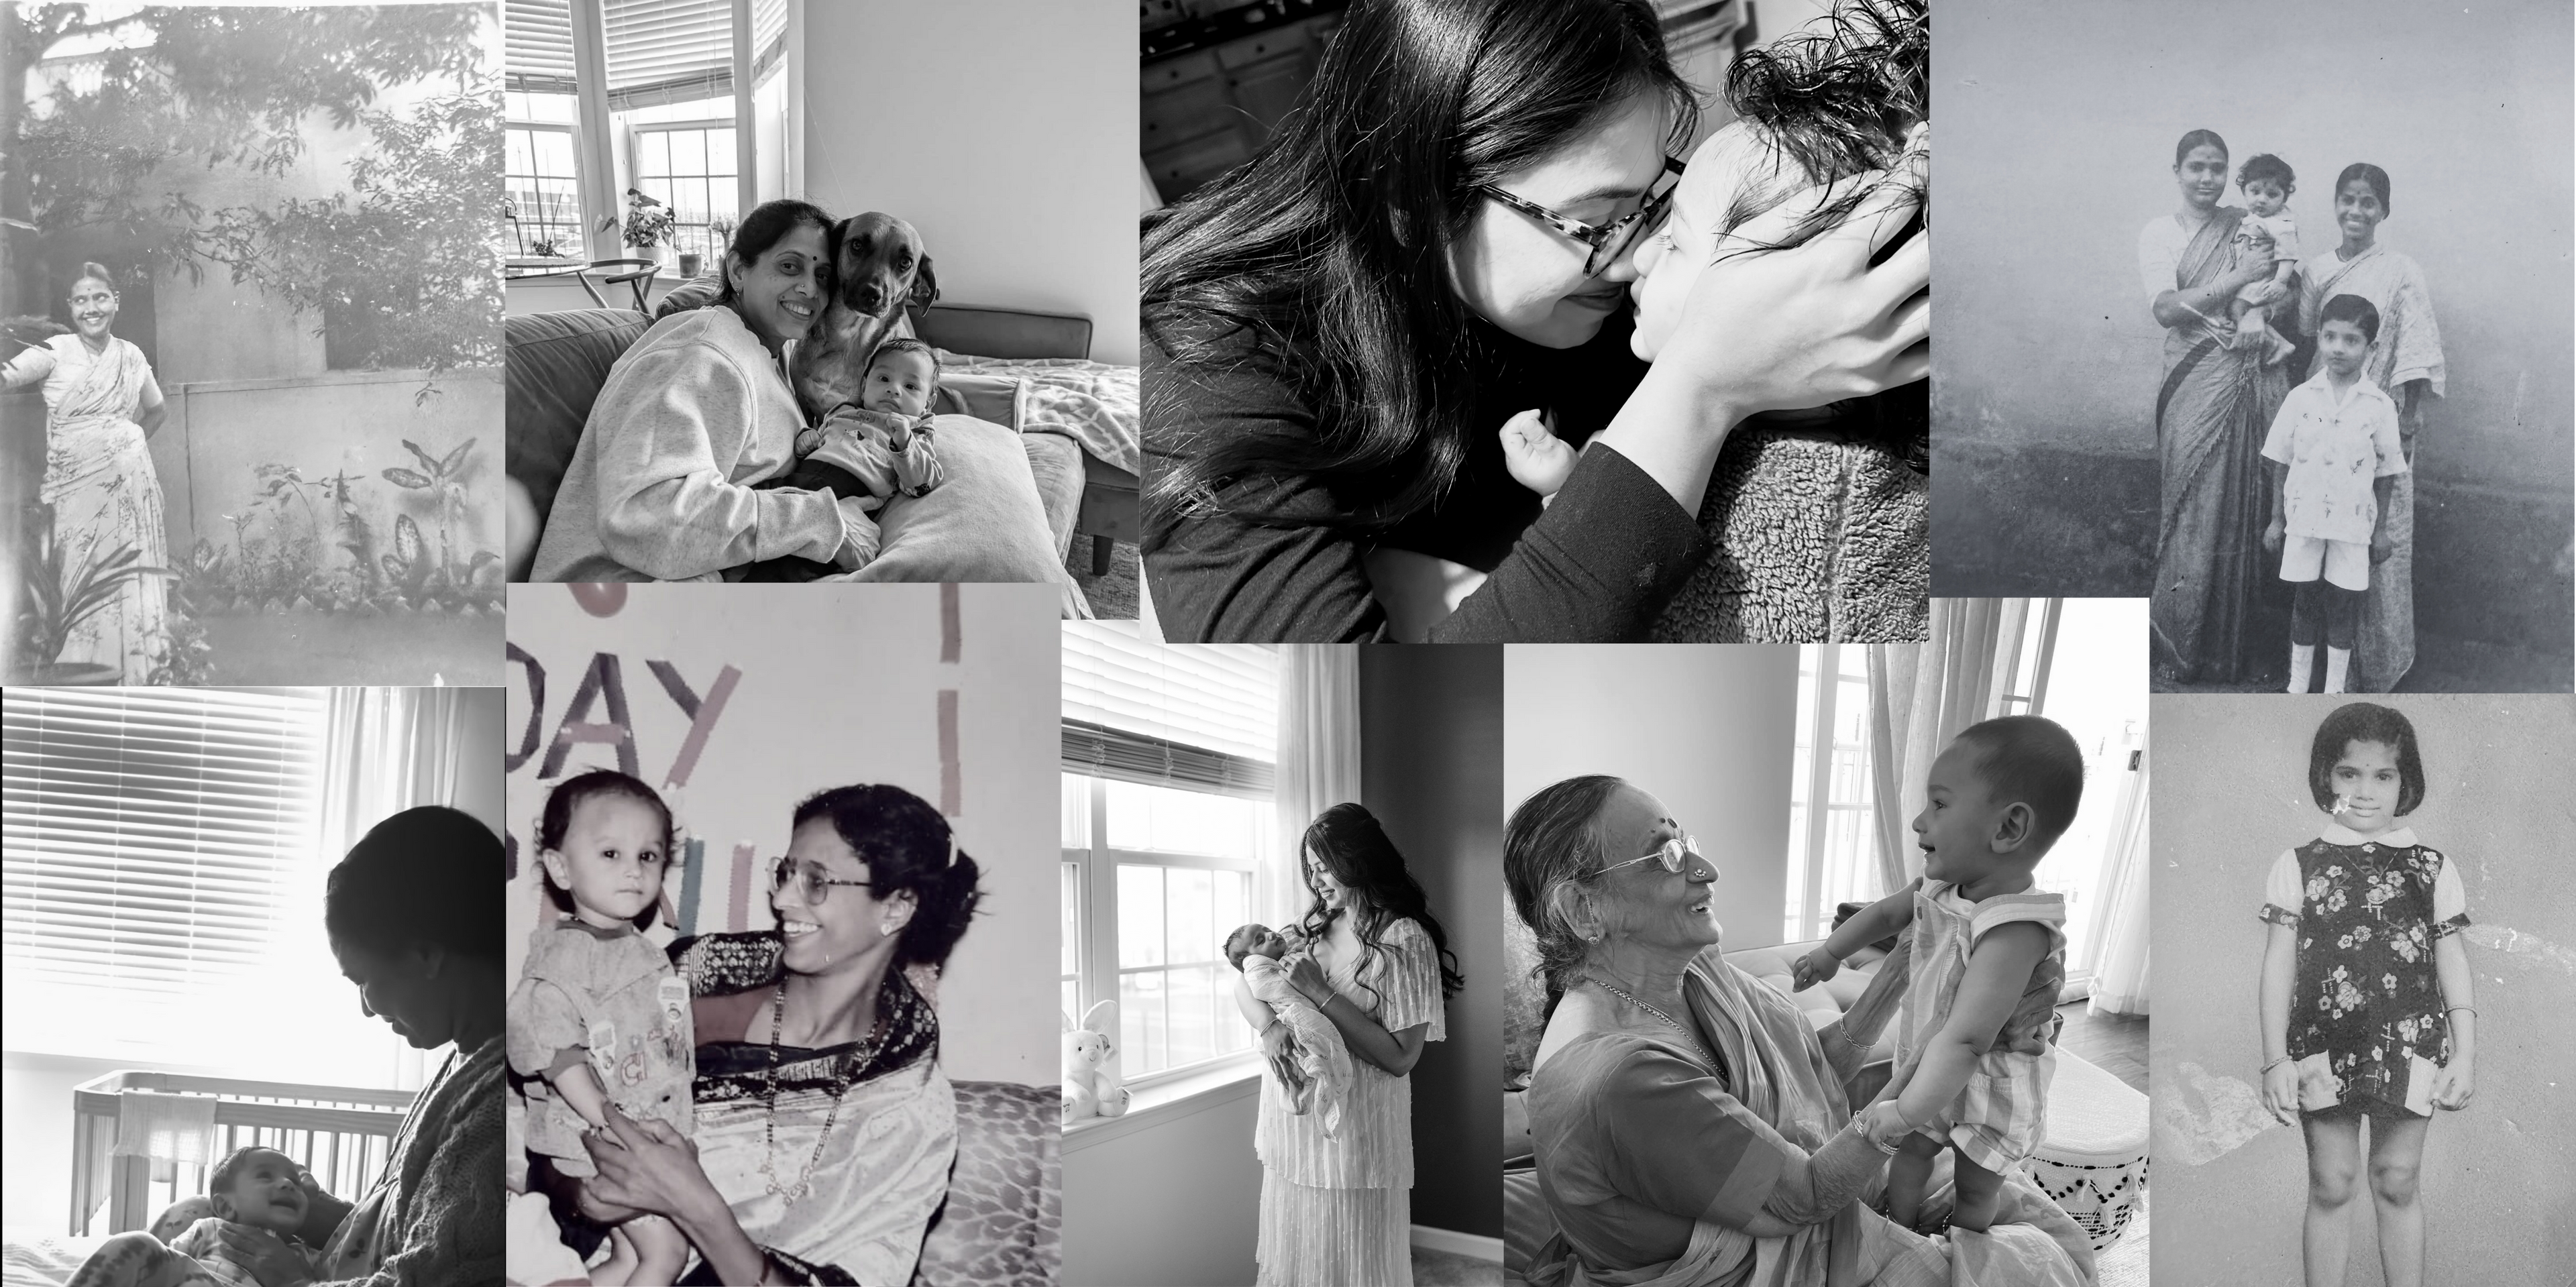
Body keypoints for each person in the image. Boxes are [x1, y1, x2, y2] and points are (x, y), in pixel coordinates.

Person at [1140, 0, 1927, 642]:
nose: (1638, 256)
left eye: (1658, 194)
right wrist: (1697, 391)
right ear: (1413, 206)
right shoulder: (1202, 354)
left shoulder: (1608, 294)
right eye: (1599, 219)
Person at [1505, 775, 2092, 1285]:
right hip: (1765, 1253)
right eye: (1666, 856)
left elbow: (1811, 1066)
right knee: (2041, 1259)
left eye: (1688, 844)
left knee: (2048, 1224)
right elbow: (1803, 1197)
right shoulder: (1616, 1078)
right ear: (1585, 911)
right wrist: (1955, 1039)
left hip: (1814, 1185)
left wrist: (1911, 963)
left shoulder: (1692, 967)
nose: (1707, 870)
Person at [549, 785, 981, 1286]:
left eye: (815, 881)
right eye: (785, 873)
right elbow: (550, 1100)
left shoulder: (910, 1105)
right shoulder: (682, 983)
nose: (781, 898)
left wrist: (698, 1206)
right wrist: (583, 1194)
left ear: (896, 907)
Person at [1794, 716, 2082, 1235]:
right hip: (1928, 1063)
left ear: (2008, 828)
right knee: (1908, 1159)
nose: (1919, 821)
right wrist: (1829, 954)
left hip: (1988, 1086)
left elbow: (1970, 1038)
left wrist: (1903, 1112)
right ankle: (1901, 1232)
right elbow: (1885, 914)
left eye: (1940, 804)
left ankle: (1962, 1244)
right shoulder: (1940, 885)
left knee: (1976, 1186)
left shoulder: (2016, 926)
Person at [529, 200, 879, 581]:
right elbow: (646, 514)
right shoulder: (700, 350)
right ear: (738, 269)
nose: (810, 288)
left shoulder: (767, 352)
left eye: (824, 275)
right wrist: (821, 523)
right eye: (789, 266)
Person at [2257, 703, 2474, 1287]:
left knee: (2397, 1178)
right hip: (2320, 1046)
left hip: (2414, 1047)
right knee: (2332, 1183)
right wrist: (2275, 1056)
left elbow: (2451, 960)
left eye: (2384, 776)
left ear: (2406, 784)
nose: (2365, 791)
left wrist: (2467, 1053)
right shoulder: (2298, 864)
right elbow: (2279, 963)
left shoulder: (2432, 867)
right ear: (2327, 775)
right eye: (2349, 773)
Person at [1233, 803, 1462, 1286]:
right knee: (1299, 1258)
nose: (1316, 881)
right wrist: (1268, 1028)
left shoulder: (1404, 939)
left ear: (1357, 858)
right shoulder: (1309, 925)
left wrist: (1321, 992)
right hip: (1295, 1129)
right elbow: (1245, 977)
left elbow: (1401, 1057)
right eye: (1310, 870)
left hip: (1360, 1138)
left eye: (1323, 866)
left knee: (1356, 1262)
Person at [511, 771, 694, 1285]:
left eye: (648, 856)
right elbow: (557, 1054)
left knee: (631, 1261)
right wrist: (615, 1124)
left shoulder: (643, 952)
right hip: (592, 1142)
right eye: (611, 854)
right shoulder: (565, 958)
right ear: (560, 868)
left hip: (631, 1134)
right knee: (666, 1253)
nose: (634, 871)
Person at [2143, 129, 2294, 685]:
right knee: (2190, 510)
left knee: (2242, 508)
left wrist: (2260, 308)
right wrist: (2240, 277)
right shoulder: (2160, 233)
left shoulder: (2249, 222)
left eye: (2216, 168)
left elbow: (2284, 283)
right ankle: (2176, 644)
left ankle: (2225, 649)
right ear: (2177, 170)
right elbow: (2165, 309)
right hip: (2191, 379)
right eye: (2196, 167)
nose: (2206, 178)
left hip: (2246, 372)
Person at [2293, 164, 2443, 693]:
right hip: (2325, 414)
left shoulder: (2401, 270)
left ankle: (2374, 666)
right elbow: (2307, 337)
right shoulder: (2315, 270)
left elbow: (2417, 343)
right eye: (2348, 200)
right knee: (2320, 536)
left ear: (2384, 211)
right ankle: (2313, 673)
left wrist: (2410, 412)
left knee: (2379, 534)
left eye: (2368, 203)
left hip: (2379, 414)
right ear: (2334, 204)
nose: (2356, 211)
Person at [0, 261, 170, 680]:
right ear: (70, 308)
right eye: (80, 300)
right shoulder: (55, 351)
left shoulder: (131, 355)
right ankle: (92, 673)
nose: (90, 307)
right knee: (85, 577)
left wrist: (127, 449)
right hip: (78, 487)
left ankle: (140, 666)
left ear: (115, 301)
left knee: (132, 572)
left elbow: (158, 409)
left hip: (131, 485)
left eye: (99, 297)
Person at [2261, 295, 2408, 695]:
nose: (2338, 348)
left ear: (2371, 348)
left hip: (2352, 522)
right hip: (2304, 517)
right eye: (2329, 337)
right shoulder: (2300, 398)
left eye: (2351, 340)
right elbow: (2281, 460)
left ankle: (2334, 690)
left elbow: (2388, 471)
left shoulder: (2379, 406)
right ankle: (2297, 686)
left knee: (2343, 604)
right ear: (2320, 339)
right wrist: (2277, 519)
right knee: (2305, 601)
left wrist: (2379, 532)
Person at [1224, 922, 1352, 1135]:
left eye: (1267, 930)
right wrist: (1267, 1025)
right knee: (1302, 1065)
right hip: (1287, 1030)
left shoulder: (1288, 950)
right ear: (1251, 960)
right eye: (1261, 940)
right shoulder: (1262, 969)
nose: (1271, 935)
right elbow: (1265, 986)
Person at [2229, 154, 2302, 367]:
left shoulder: (2282, 224)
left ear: (2283, 199)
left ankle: (2277, 342)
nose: (2262, 199)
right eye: (2255, 192)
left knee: (2236, 309)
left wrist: (2280, 282)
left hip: (2264, 282)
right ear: (2244, 191)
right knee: (2237, 309)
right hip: (2250, 278)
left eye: (2272, 195)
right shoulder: (2254, 218)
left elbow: (2288, 255)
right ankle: (2277, 343)